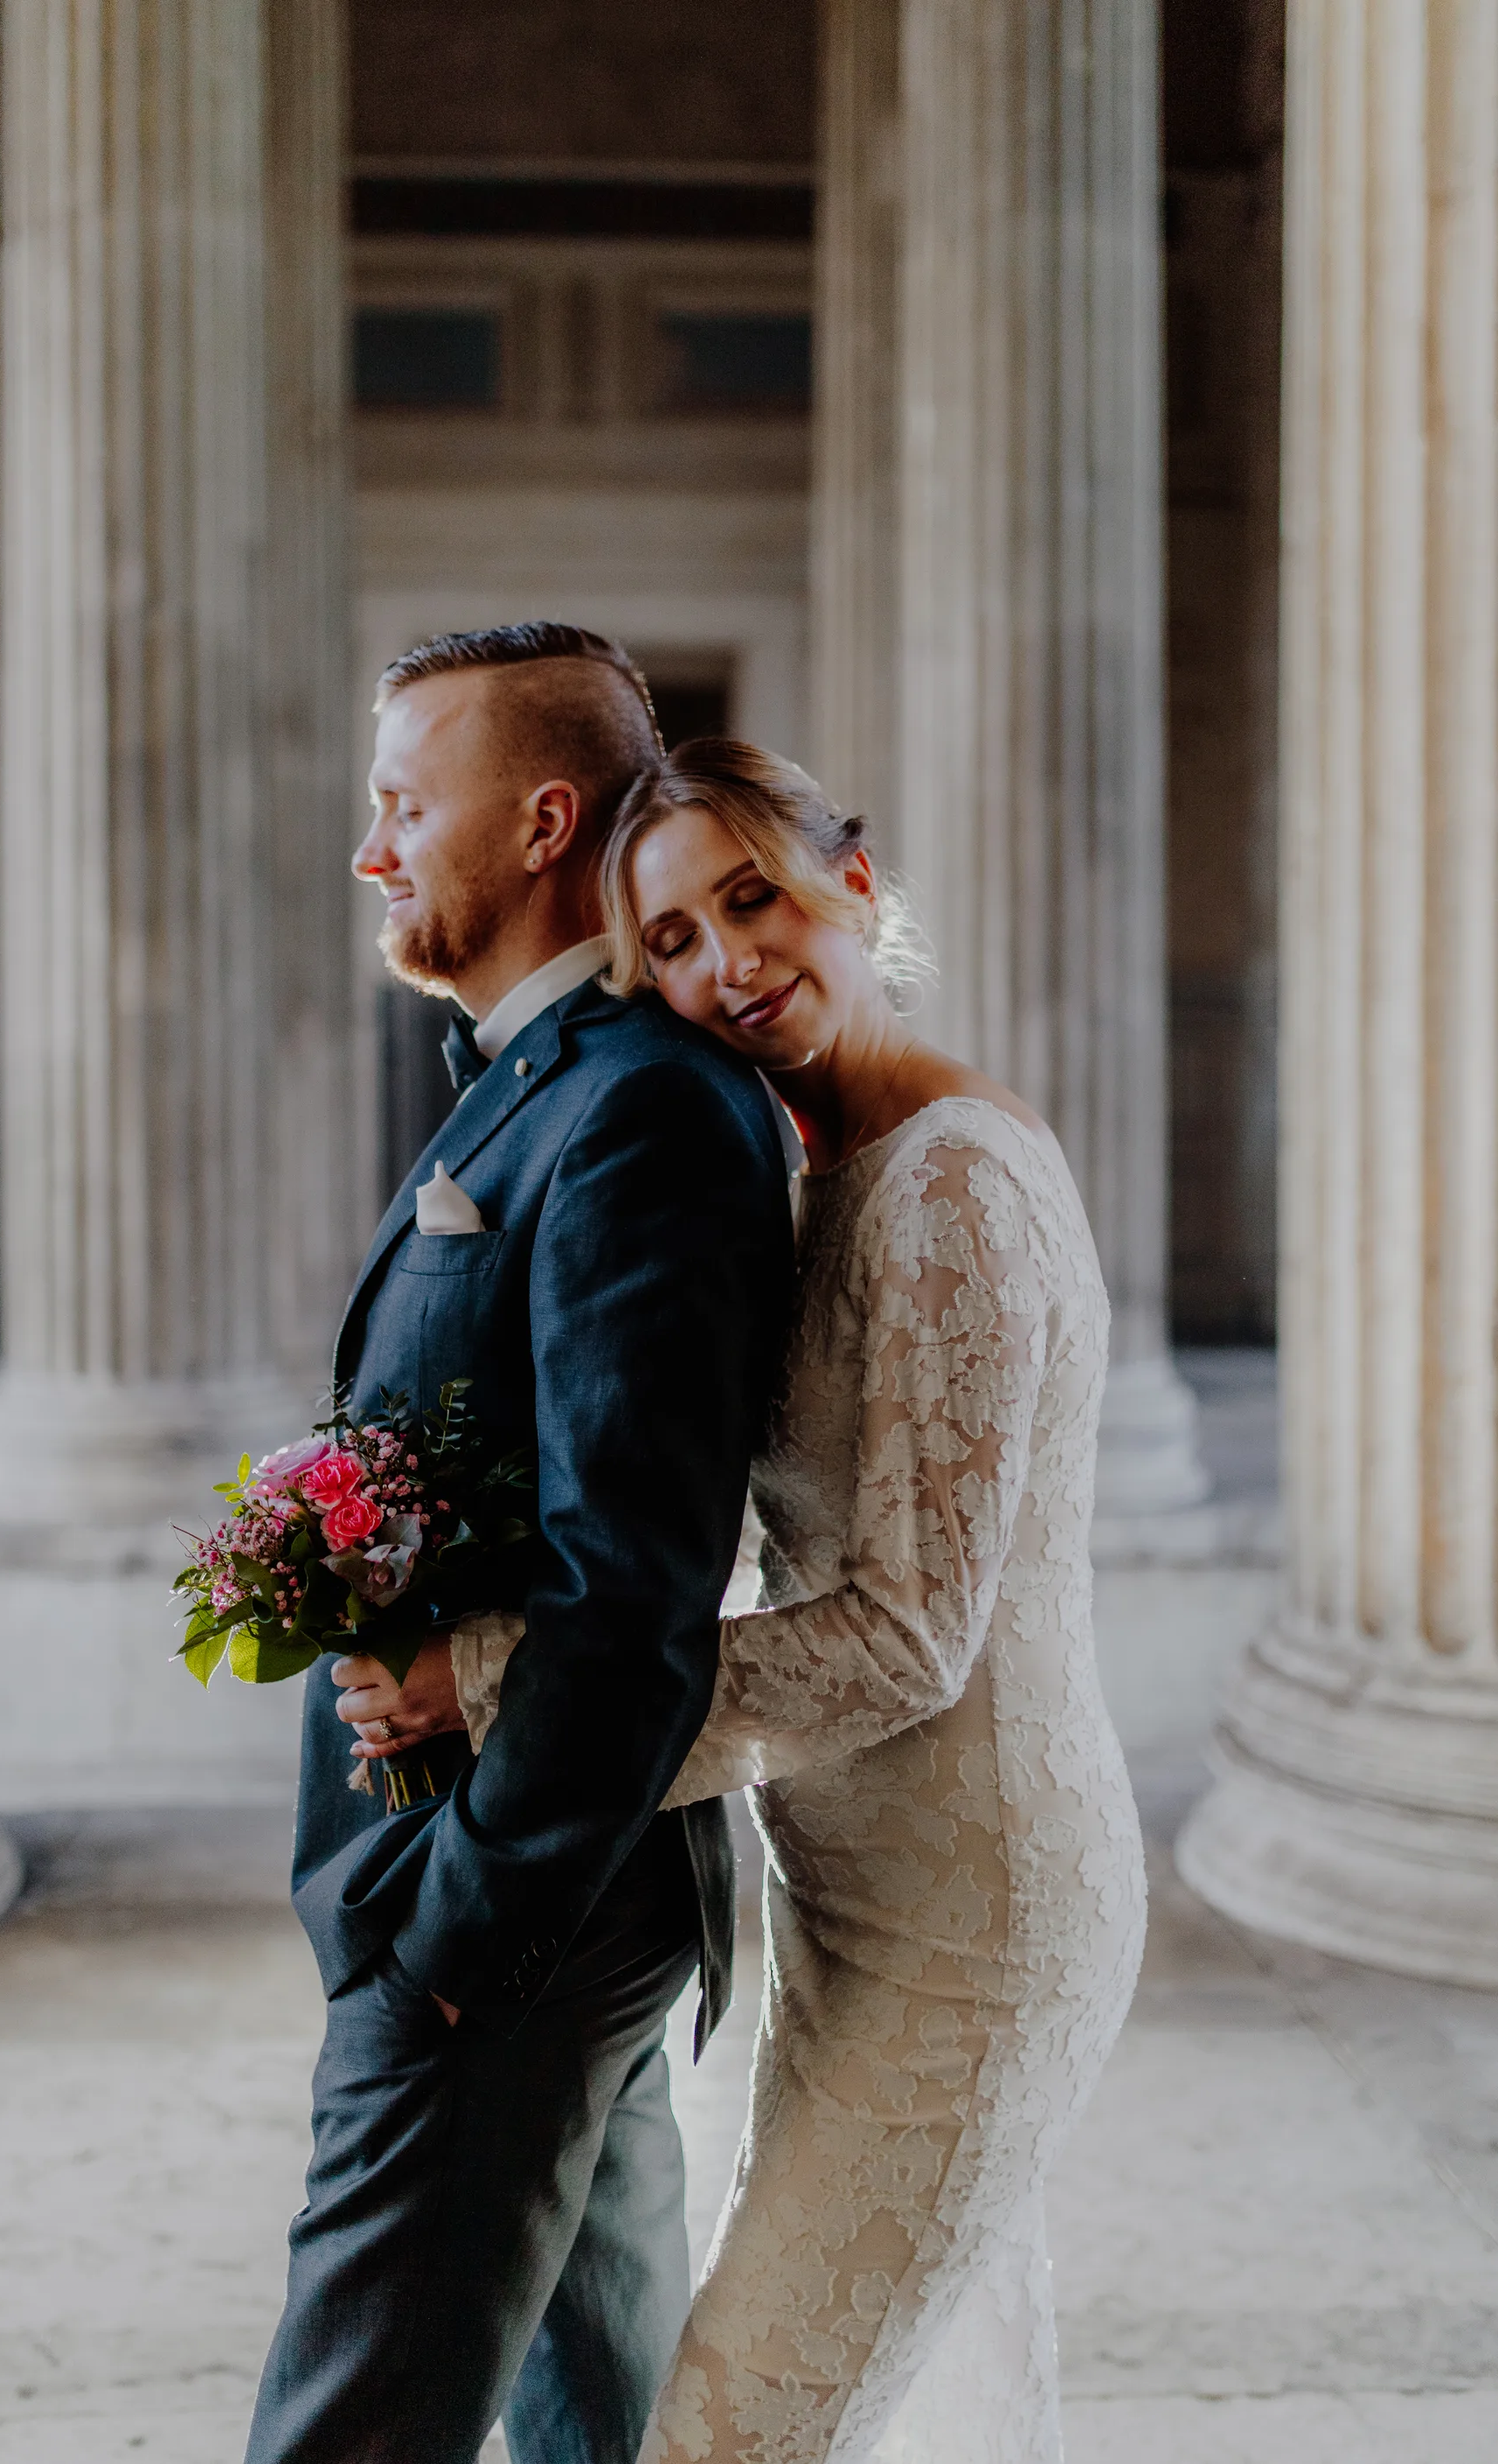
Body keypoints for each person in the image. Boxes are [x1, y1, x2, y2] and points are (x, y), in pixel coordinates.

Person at [368, 740, 1148, 2461]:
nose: (726, 966)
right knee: (843, 2406)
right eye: (673, 943)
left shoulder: (944, 1186)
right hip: (861, 1905)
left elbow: (903, 1634)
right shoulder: (829, 1159)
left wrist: (494, 1691)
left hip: (975, 1926)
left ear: (851, 886)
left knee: (729, 2433)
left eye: (752, 901)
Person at [245, 639, 794, 2464]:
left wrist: (458, 1941)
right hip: (551, 1907)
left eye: (406, 802)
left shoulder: (636, 1105)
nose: (371, 846)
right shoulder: (525, 1075)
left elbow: (632, 1586)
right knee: (596, 2425)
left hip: (514, 1921)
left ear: (544, 820)